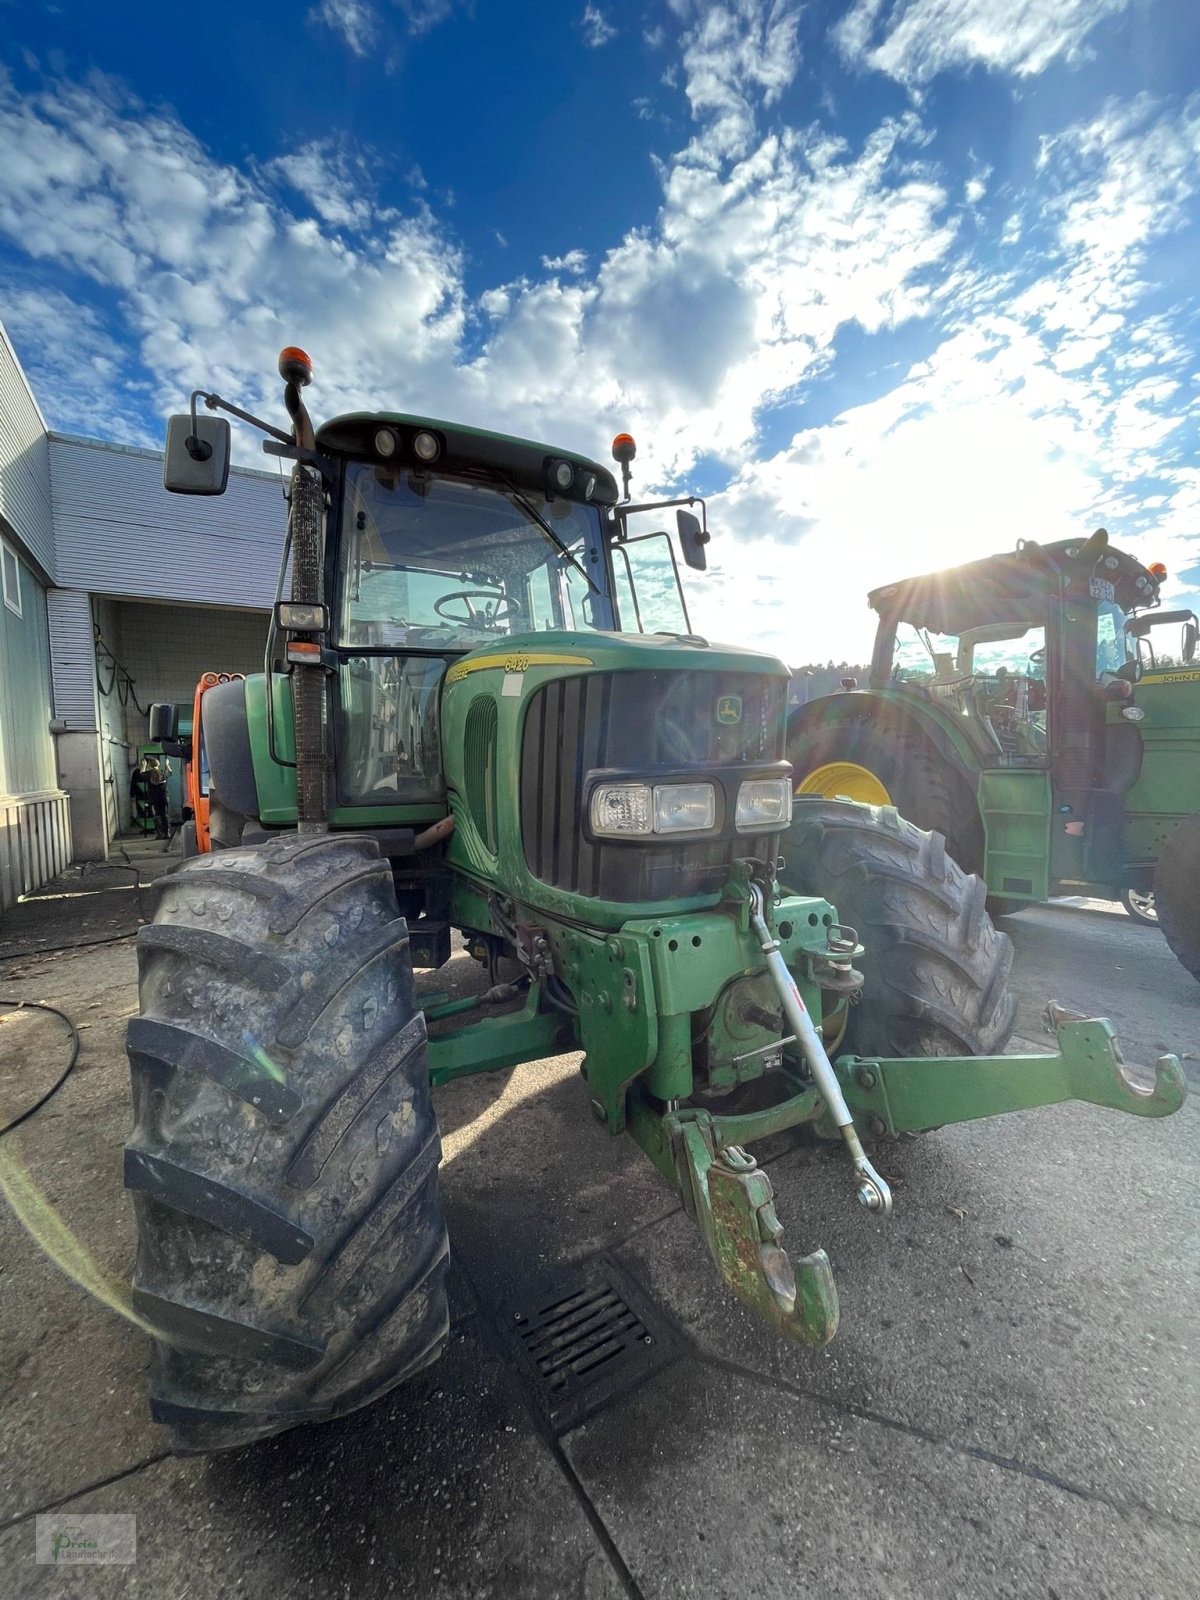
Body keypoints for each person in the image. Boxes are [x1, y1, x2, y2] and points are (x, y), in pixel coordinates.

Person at [135, 754, 171, 839]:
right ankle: (167, 833)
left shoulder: (148, 774)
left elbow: (141, 774)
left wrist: (144, 765)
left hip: (153, 798)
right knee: (164, 815)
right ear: (158, 764)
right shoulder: (163, 773)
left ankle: (160, 834)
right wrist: (167, 765)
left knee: (157, 815)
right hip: (163, 797)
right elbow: (170, 772)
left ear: (150, 765)